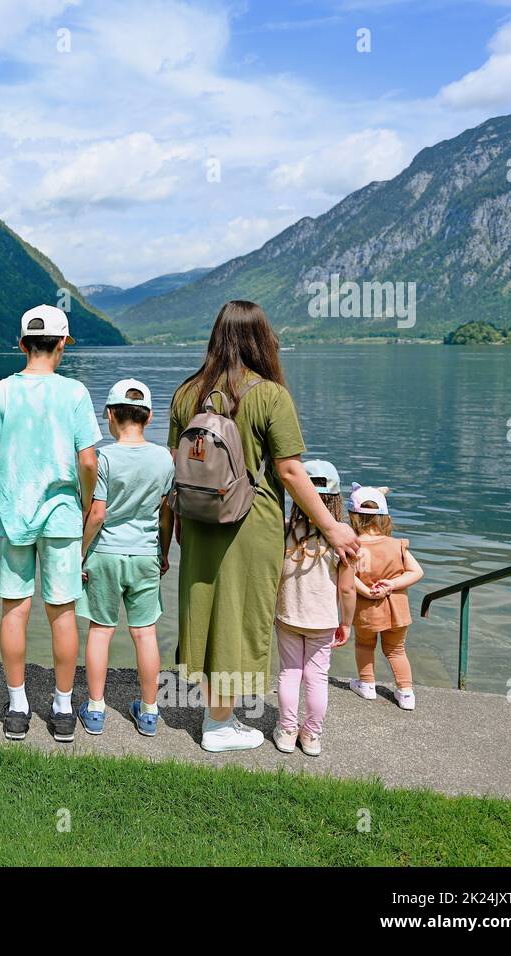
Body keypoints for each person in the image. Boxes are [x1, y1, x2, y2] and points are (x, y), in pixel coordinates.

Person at [168, 301, 359, 753]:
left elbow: (174, 467)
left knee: (207, 610)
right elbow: (291, 472)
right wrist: (332, 527)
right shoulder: (270, 395)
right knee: (238, 616)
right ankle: (219, 725)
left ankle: (217, 714)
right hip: (250, 526)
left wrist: (174, 522)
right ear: (262, 340)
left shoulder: (185, 393)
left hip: (196, 519)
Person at [0, 305, 100, 742]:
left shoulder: (0, 392)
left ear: (22, 343)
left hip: (13, 512)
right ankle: (63, 710)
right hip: (64, 516)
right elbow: (88, 461)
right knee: (63, 612)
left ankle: (17, 706)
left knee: (15, 608)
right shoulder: (75, 394)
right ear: (63, 343)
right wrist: (84, 502)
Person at [75, 378, 174, 737]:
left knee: (100, 631)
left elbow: (97, 514)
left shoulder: (103, 458)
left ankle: (97, 709)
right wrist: (163, 551)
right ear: (148, 418)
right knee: (145, 633)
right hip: (146, 553)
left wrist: (79, 554)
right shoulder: (164, 458)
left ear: (109, 416)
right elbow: (166, 512)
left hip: (104, 553)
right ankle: (148, 712)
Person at [273, 460, 356, 757]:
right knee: (317, 677)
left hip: (287, 617)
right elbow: (347, 589)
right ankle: (311, 735)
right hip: (323, 621)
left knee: (289, 673)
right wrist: (346, 622)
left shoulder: (283, 532)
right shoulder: (343, 538)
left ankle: (286, 731)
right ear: (336, 498)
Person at [347, 484, 424, 711]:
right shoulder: (397, 545)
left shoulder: (355, 547)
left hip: (367, 608)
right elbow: (417, 572)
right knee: (396, 649)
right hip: (397, 609)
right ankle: (406, 693)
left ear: (353, 517)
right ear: (384, 518)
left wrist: (368, 592)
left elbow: (349, 576)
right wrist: (391, 584)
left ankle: (367, 685)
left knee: (364, 644)